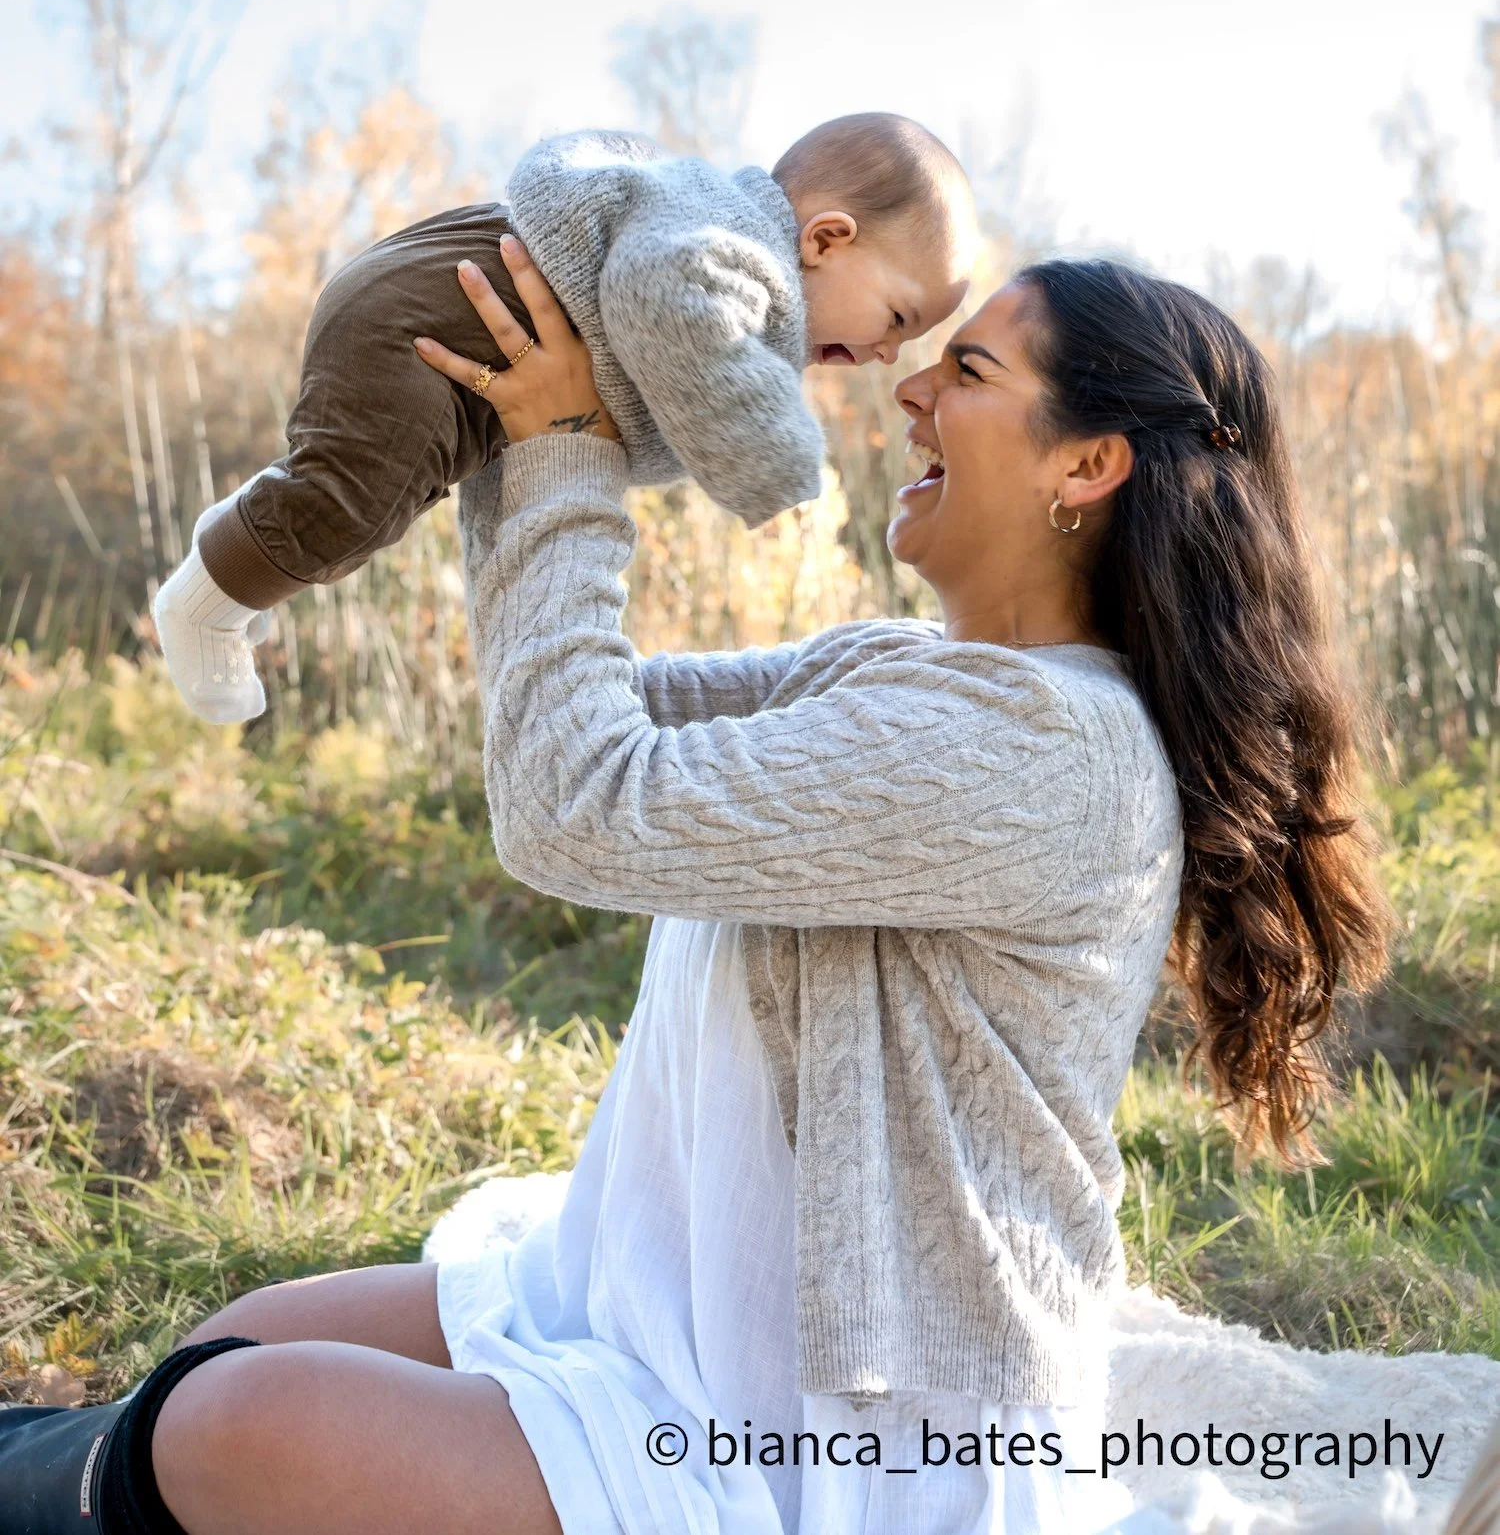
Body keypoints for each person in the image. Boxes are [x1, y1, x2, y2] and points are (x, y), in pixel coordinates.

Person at [3, 251, 1390, 1535]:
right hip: (659, 1293)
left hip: (831, 1428)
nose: (908, 389)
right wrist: (503, 428)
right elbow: (563, 713)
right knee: (227, 1348)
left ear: (1086, 463)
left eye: (968, 370)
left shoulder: (1044, 748)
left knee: (231, 1421)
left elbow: (578, 802)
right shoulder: (901, 672)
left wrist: (568, 449)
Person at [150, 113, 979, 723]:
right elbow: (664, 300)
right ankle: (205, 601)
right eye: (898, 320)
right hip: (425, 315)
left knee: (402, 501)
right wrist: (778, 462)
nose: (886, 355)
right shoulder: (735, 245)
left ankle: (245, 557)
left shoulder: (729, 249)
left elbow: (567, 438)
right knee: (349, 504)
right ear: (827, 239)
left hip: (463, 356)